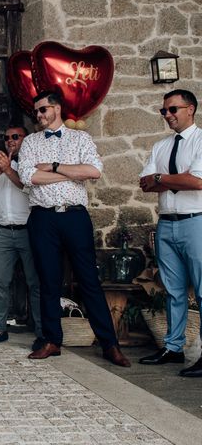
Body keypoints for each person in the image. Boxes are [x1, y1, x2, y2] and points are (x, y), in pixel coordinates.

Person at [18, 90, 130, 367]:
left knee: (89, 280)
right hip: (42, 218)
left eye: (43, 110)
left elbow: (92, 172)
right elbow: (27, 177)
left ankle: (109, 344)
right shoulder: (31, 142)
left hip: (74, 216)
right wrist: (70, 171)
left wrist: (54, 166)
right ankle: (52, 340)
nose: (39, 116)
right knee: (48, 281)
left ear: (57, 108)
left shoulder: (81, 138)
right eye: (36, 112)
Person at [139, 89, 202, 377]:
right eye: (164, 111)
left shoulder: (201, 141)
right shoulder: (160, 146)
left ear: (190, 109)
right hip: (166, 223)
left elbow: (197, 182)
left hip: (196, 221)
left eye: (173, 109)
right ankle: (173, 348)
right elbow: (144, 184)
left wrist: (161, 178)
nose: (167, 115)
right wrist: (175, 179)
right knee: (173, 291)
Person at [0, 126, 44, 351]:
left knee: (35, 282)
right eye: (6, 138)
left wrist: (8, 170)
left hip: (29, 229)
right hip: (3, 231)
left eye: (15, 137)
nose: (10, 141)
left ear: (26, 139)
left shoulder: (32, 164)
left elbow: (28, 187)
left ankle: (42, 332)